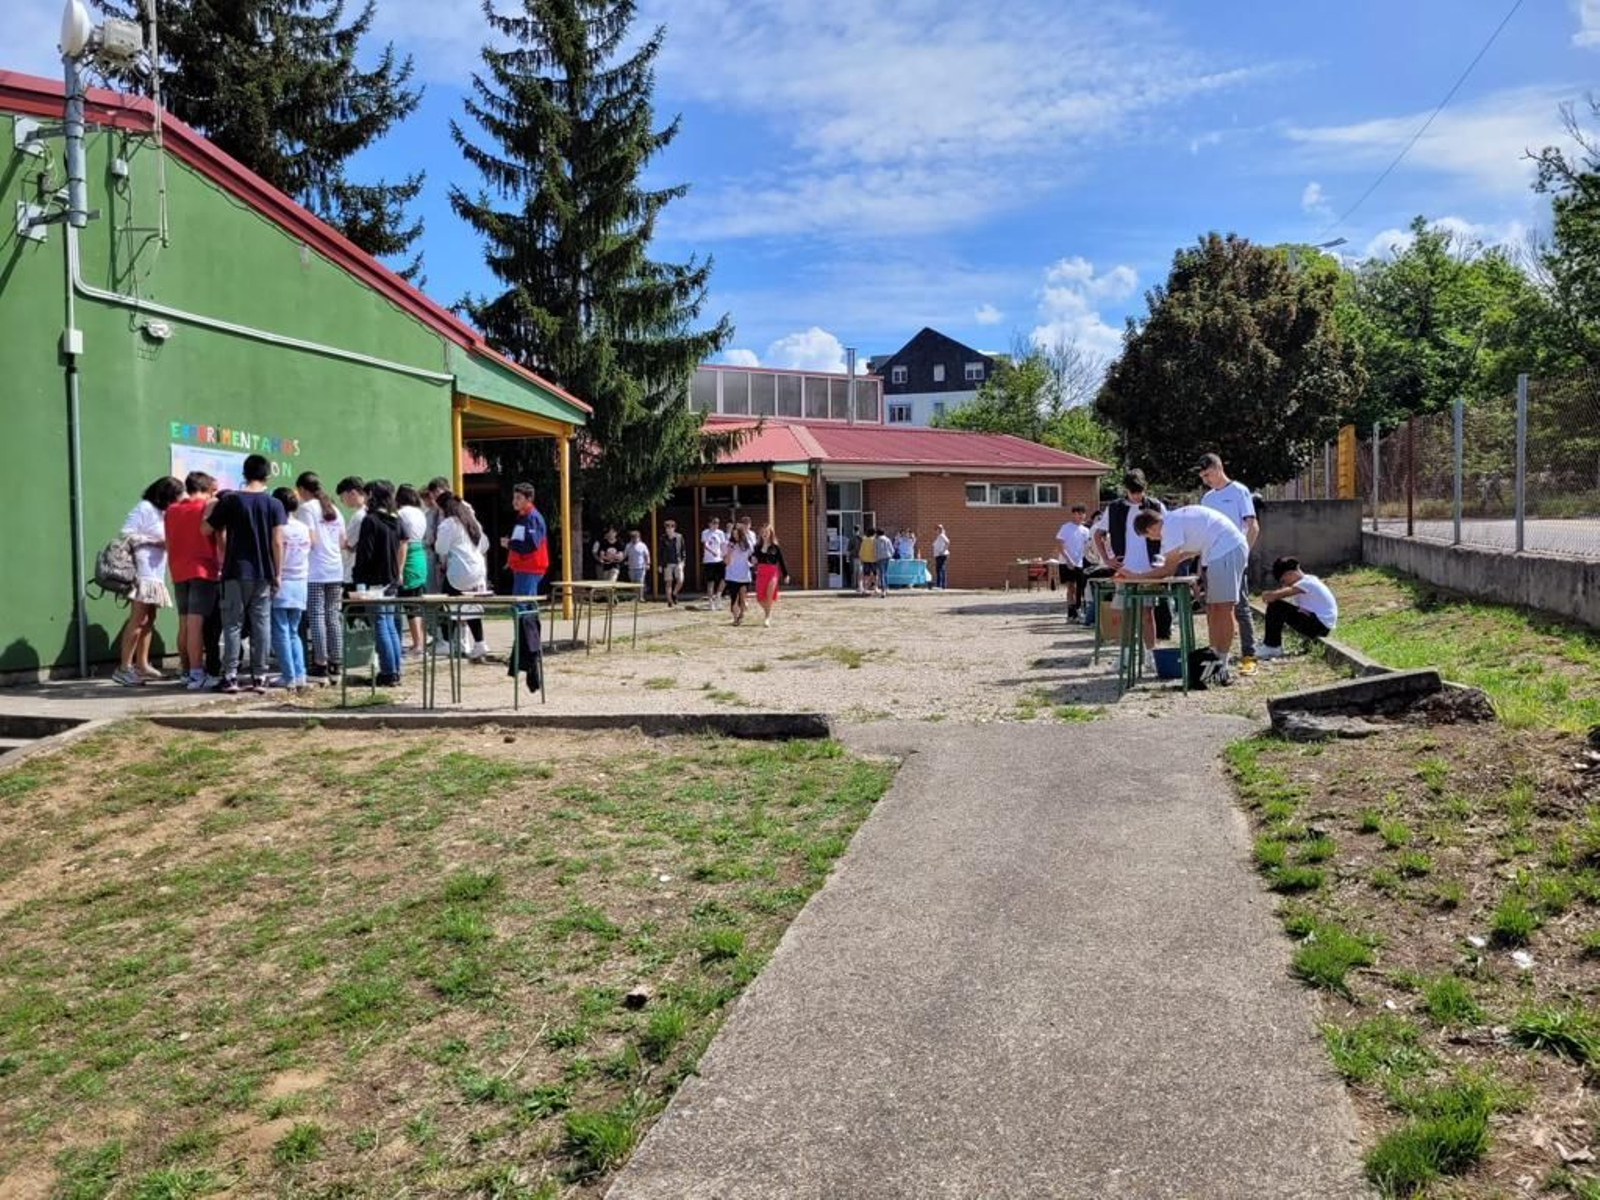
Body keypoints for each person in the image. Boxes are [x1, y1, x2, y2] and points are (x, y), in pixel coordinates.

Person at [1122, 505, 1250, 686]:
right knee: (1213, 609)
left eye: (1149, 536)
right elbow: (1188, 551)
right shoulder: (1173, 522)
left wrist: (1135, 577)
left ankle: (1222, 665)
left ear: (1151, 528)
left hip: (1226, 548)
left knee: (1223, 607)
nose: (1153, 539)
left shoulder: (1170, 526)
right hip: (1215, 552)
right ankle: (1213, 662)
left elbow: (1167, 570)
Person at [205, 454, 286, 693]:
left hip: (234, 571)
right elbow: (278, 541)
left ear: (244, 473)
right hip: (263, 572)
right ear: (267, 475)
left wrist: (223, 547)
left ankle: (230, 676)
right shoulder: (274, 504)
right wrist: (277, 573)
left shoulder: (231, 500)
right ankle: (259, 676)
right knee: (261, 624)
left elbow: (209, 528)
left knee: (232, 624)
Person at [113, 475, 183, 686]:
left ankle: (142, 664)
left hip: (156, 571)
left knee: (150, 618)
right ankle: (124, 667)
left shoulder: (164, 513)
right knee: (138, 618)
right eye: (175, 497)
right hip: (142, 570)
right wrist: (154, 541)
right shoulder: (144, 507)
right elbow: (125, 533)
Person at [1092, 471, 1165, 667]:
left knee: (1147, 613)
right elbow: (1098, 534)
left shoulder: (1156, 506)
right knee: (1124, 613)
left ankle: (1150, 655)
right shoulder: (1115, 508)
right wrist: (1107, 560)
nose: (1136, 496)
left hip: (1149, 569)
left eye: (1139, 492)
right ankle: (1124, 656)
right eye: (1133, 492)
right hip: (1124, 569)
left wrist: (1163, 560)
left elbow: (1169, 530)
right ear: (1126, 490)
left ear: (1145, 488)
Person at [1197, 452, 1261, 676]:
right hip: (1211, 559)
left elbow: (1252, 526)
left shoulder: (1239, 491)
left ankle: (1248, 655)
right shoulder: (1207, 499)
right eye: (1202, 477)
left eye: (1208, 474)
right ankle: (1216, 657)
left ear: (1218, 468)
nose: (1206, 480)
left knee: (1240, 607)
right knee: (1214, 609)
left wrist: (1242, 556)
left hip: (1233, 556)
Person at [165, 471, 222, 690]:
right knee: (196, 624)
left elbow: (169, 541)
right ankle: (198, 674)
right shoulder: (206, 508)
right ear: (207, 489)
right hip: (203, 569)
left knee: (184, 623)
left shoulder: (171, 510)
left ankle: (187, 670)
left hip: (179, 570)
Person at [352, 479, 406, 687]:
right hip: (391, 578)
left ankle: (388, 672)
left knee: (381, 625)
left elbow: (365, 553)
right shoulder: (394, 519)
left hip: (374, 580)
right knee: (390, 625)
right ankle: (395, 670)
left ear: (372, 496)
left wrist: (359, 579)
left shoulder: (371, 520)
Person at [295, 472, 345, 681]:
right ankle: (336, 661)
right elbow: (343, 541)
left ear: (304, 490)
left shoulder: (307, 509)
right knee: (333, 615)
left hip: (315, 570)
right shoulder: (334, 508)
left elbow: (311, 540)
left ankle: (320, 662)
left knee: (316, 615)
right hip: (335, 569)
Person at [435, 488, 491, 661]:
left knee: (447, 602)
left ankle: (447, 641)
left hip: (460, 570)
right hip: (478, 569)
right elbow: (484, 545)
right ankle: (480, 643)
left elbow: (440, 548)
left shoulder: (448, 523)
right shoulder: (471, 520)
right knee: (470, 605)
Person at [270, 487, 311, 691]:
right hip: (300, 581)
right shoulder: (303, 527)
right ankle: (300, 673)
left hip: (282, 581)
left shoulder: (279, 528)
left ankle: (288, 676)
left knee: (280, 631)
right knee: (294, 632)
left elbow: (276, 549)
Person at [1259, 557, 1339, 658]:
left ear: (1290, 574)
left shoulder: (1306, 583)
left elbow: (1275, 596)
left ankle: (1272, 646)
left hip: (1320, 627)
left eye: (1283, 581)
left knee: (1276, 606)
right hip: (1320, 623)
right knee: (1279, 607)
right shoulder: (1309, 579)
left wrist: (1268, 594)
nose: (1284, 584)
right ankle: (1271, 645)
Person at [501, 482, 548, 600]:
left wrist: (509, 544)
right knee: (522, 607)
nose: (514, 501)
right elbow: (522, 541)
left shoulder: (532, 517)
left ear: (529, 499)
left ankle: (530, 619)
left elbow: (531, 544)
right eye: (514, 498)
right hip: (522, 568)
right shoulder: (523, 517)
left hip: (529, 568)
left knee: (524, 607)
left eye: (518, 498)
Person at [1055, 505, 1092, 619]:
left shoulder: (1086, 530)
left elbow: (1087, 547)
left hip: (1080, 562)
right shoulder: (1065, 528)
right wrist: (1068, 560)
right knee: (1071, 586)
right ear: (1073, 514)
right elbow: (1060, 546)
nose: (1081, 516)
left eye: (1082, 513)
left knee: (1080, 587)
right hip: (1066, 561)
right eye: (1078, 513)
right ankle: (1071, 612)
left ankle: (1078, 609)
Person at [752, 524, 789, 627]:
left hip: (772, 572)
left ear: (770, 534)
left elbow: (781, 561)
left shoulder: (775, 547)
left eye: (767, 532)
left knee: (769, 595)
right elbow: (753, 558)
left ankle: (767, 617)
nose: (765, 534)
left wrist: (786, 575)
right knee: (760, 598)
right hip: (761, 572)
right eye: (763, 532)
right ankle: (767, 611)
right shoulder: (757, 547)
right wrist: (752, 560)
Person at [723, 516, 755, 625]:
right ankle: (735, 618)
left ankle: (741, 614)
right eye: (733, 534)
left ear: (741, 534)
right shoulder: (729, 545)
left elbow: (753, 558)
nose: (735, 536)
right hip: (731, 575)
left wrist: (754, 563)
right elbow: (726, 562)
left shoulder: (748, 545)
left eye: (737, 534)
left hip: (744, 574)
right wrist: (729, 552)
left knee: (742, 596)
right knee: (734, 597)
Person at [336, 475, 366, 586]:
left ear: (353, 493)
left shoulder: (359, 516)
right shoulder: (370, 512)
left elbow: (346, 543)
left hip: (353, 572)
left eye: (342, 497)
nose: (342, 501)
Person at [701, 516, 727, 609]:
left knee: (725, 578)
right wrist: (712, 552)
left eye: (717, 523)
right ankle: (710, 601)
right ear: (709, 524)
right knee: (710, 581)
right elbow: (705, 545)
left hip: (719, 560)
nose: (716, 525)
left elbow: (723, 545)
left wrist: (725, 556)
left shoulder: (720, 533)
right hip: (709, 560)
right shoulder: (705, 532)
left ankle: (718, 596)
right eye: (714, 523)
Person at [659, 519, 686, 607]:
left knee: (680, 580)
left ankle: (674, 593)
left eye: (670, 527)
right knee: (669, 582)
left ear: (674, 528)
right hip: (667, 563)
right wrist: (659, 565)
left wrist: (683, 561)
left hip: (678, 562)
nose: (668, 529)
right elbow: (660, 552)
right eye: (667, 528)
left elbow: (683, 550)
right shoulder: (663, 538)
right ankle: (669, 601)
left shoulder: (679, 537)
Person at [857, 523, 878, 595]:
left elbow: (861, 550)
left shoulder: (864, 540)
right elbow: (876, 550)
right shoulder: (874, 540)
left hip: (865, 559)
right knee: (875, 574)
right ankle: (875, 588)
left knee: (866, 575)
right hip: (873, 559)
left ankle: (865, 588)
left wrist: (861, 557)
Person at [872, 528, 894, 596]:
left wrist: (875, 557)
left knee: (881, 573)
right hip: (887, 557)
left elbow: (875, 550)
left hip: (879, 558)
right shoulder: (887, 539)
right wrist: (890, 555)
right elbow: (892, 549)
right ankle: (887, 588)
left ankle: (883, 590)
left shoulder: (876, 540)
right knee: (885, 572)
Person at [931, 524, 950, 590]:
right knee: (940, 569)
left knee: (940, 569)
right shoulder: (939, 536)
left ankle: (940, 585)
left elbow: (947, 542)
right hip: (938, 555)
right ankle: (941, 585)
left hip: (941, 555)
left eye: (937, 529)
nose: (936, 530)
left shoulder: (942, 535)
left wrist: (943, 551)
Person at [844, 526, 861, 591]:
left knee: (854, 571)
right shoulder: (861, 539)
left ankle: (854, 584)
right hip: (860, 557)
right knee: (860, 572)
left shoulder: (851, 539)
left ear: (854, 531)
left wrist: (847, 558)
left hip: (854, 557)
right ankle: (859, 585)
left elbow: (848, 550)